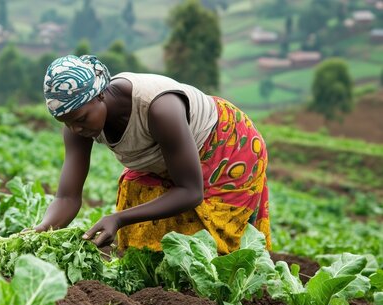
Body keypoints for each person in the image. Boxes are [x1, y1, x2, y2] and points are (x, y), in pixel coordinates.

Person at [35, 54, 271, 255]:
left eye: (81, 119)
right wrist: (41, 231)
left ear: (100, 95)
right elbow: (67, 197)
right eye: (66, 123)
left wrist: (118, 218)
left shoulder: (159, 108)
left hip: (226, 147)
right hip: (168, 156)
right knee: (141, 221)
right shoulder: (77, 125)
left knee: (209, 247)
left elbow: (190, 191)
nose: (76, 129)